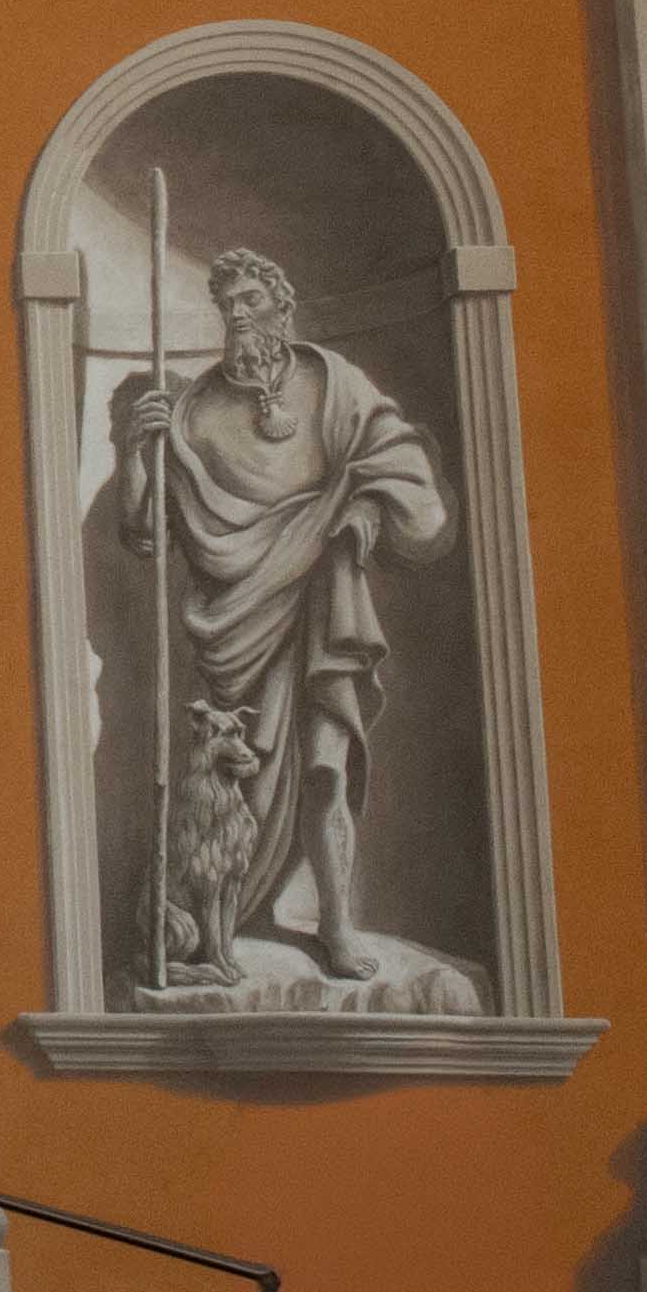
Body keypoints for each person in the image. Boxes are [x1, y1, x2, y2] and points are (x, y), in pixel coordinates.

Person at [114, 248, 454, 985]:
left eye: (250, 300)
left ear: (281, 305)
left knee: (326, 769)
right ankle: (218, 926)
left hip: (325, 599)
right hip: (238, 622)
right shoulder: (193, 410)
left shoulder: (333, 382)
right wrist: (140, 453)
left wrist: (364, 509)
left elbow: (400, 468)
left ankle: (336, 924)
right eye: (226, 304)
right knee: (231, 786)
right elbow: (146, 532)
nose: (237, 314)